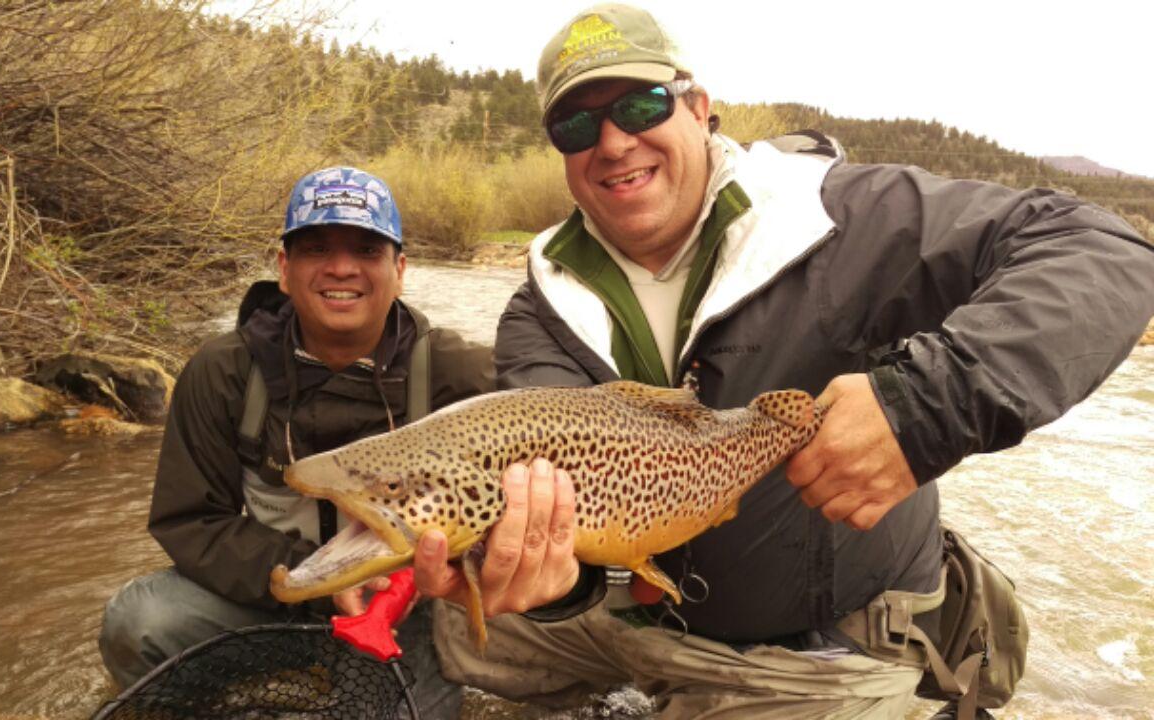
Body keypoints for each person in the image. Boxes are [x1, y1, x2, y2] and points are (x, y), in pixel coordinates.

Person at [413, 4, 1154, 719]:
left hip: (828, 645)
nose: (611, 143)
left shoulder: (840, 218)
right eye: (576, 125)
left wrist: (923, 408)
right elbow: (551, 503)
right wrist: (538, 575)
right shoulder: (540, 305)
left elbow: (1102, 251)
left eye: (640, 108)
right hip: (650, 620)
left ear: (700, 107)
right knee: (447, 615)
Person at [98, 166, 493, 718]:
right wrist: (322, 579)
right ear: (284, 269)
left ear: (399, 270)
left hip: (405, 608)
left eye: (366, 249)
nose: (341, 268)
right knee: (139, 624)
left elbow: (511, 516)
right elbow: (191, 522)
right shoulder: (223, 372)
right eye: (315, 248)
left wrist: (425, 581)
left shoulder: (460, 372)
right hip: (276, 589)